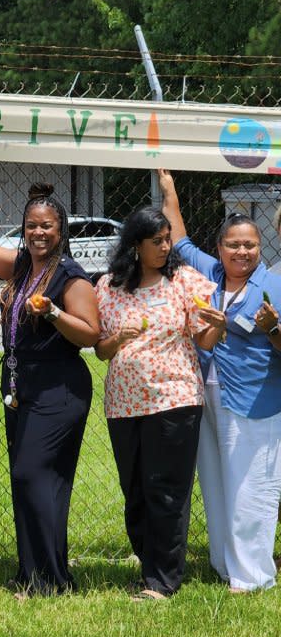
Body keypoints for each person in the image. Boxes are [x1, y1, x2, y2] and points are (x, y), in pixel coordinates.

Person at [0, 157, 100, 597]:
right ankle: (35, 573)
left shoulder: (70, 276)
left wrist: (52, 312)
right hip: (20, 388)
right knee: (28, 479)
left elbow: (91, 332)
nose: (38, 233)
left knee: (35, 475)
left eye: (47, 226)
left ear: (60, 229)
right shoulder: (20, 267)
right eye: (32, 225)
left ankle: (50, 577)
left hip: (60, 388)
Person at [161, 169, 281, 593]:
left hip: (254, 401)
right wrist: (169, 187)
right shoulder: (210, 274)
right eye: (233, 244)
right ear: (220, 248)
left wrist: (273, 328)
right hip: (206, 395)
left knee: (251, 487)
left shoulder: (274, 286)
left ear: (260, 247)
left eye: (249, 244)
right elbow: (179, 240)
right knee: (214, 481)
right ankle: (225, 564)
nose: (241, 251)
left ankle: (254, 576)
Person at [95, 205, 218, 600]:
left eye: (167, 239)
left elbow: (203, 340)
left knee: (166, 491)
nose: (166, 246)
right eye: (156, 241)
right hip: (124, 404)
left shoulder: (183, 281)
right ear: (135, 246)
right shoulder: (109, 288)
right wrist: (117, 340)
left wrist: (216, 328)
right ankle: (149, 565)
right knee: (135, 492)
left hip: (175, 399)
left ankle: (162, 581)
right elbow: (100, 350)